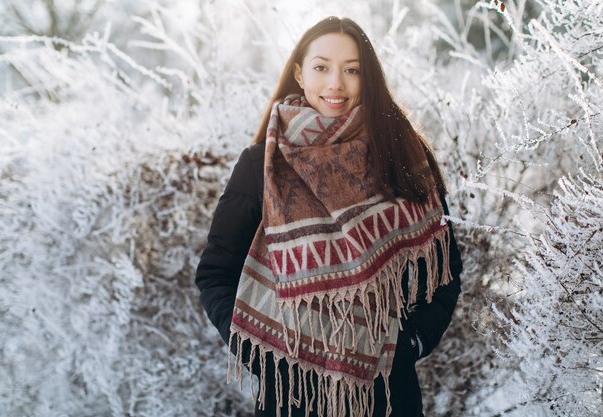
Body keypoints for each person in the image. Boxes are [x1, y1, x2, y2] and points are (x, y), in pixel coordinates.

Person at [195, 16, 462, 417]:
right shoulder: (262, 166)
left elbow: (443, 273)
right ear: (300, 74)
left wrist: (411, 344)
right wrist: (260, 353)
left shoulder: (401, 158)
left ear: (367, 78)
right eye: (321, 67)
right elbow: (216, 271)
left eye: (351, 70)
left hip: (387, 395)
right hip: (290, 396)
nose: (335, 83)